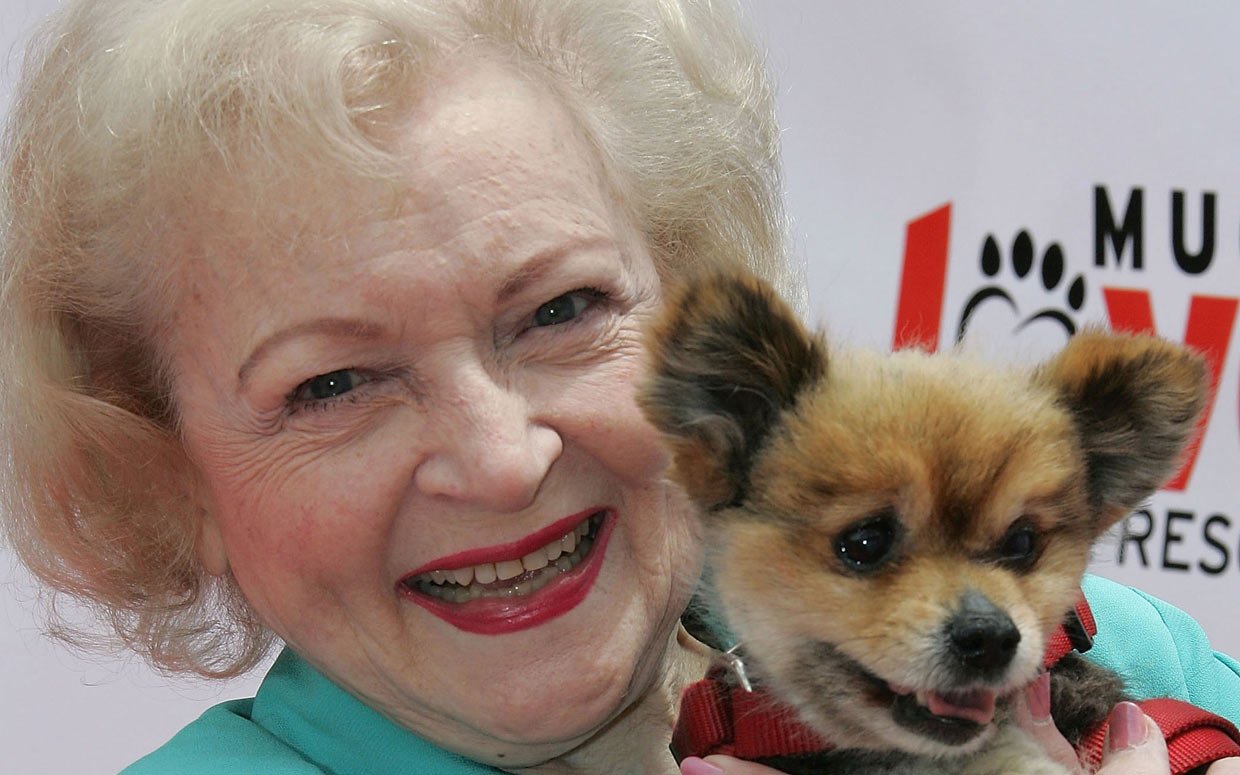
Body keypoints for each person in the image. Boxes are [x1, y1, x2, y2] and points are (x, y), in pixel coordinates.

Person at [0, 1, 1236, 773]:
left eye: (560, 311)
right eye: (330, 384)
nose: (499, 458)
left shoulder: (1114, 652)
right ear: (169, 477)